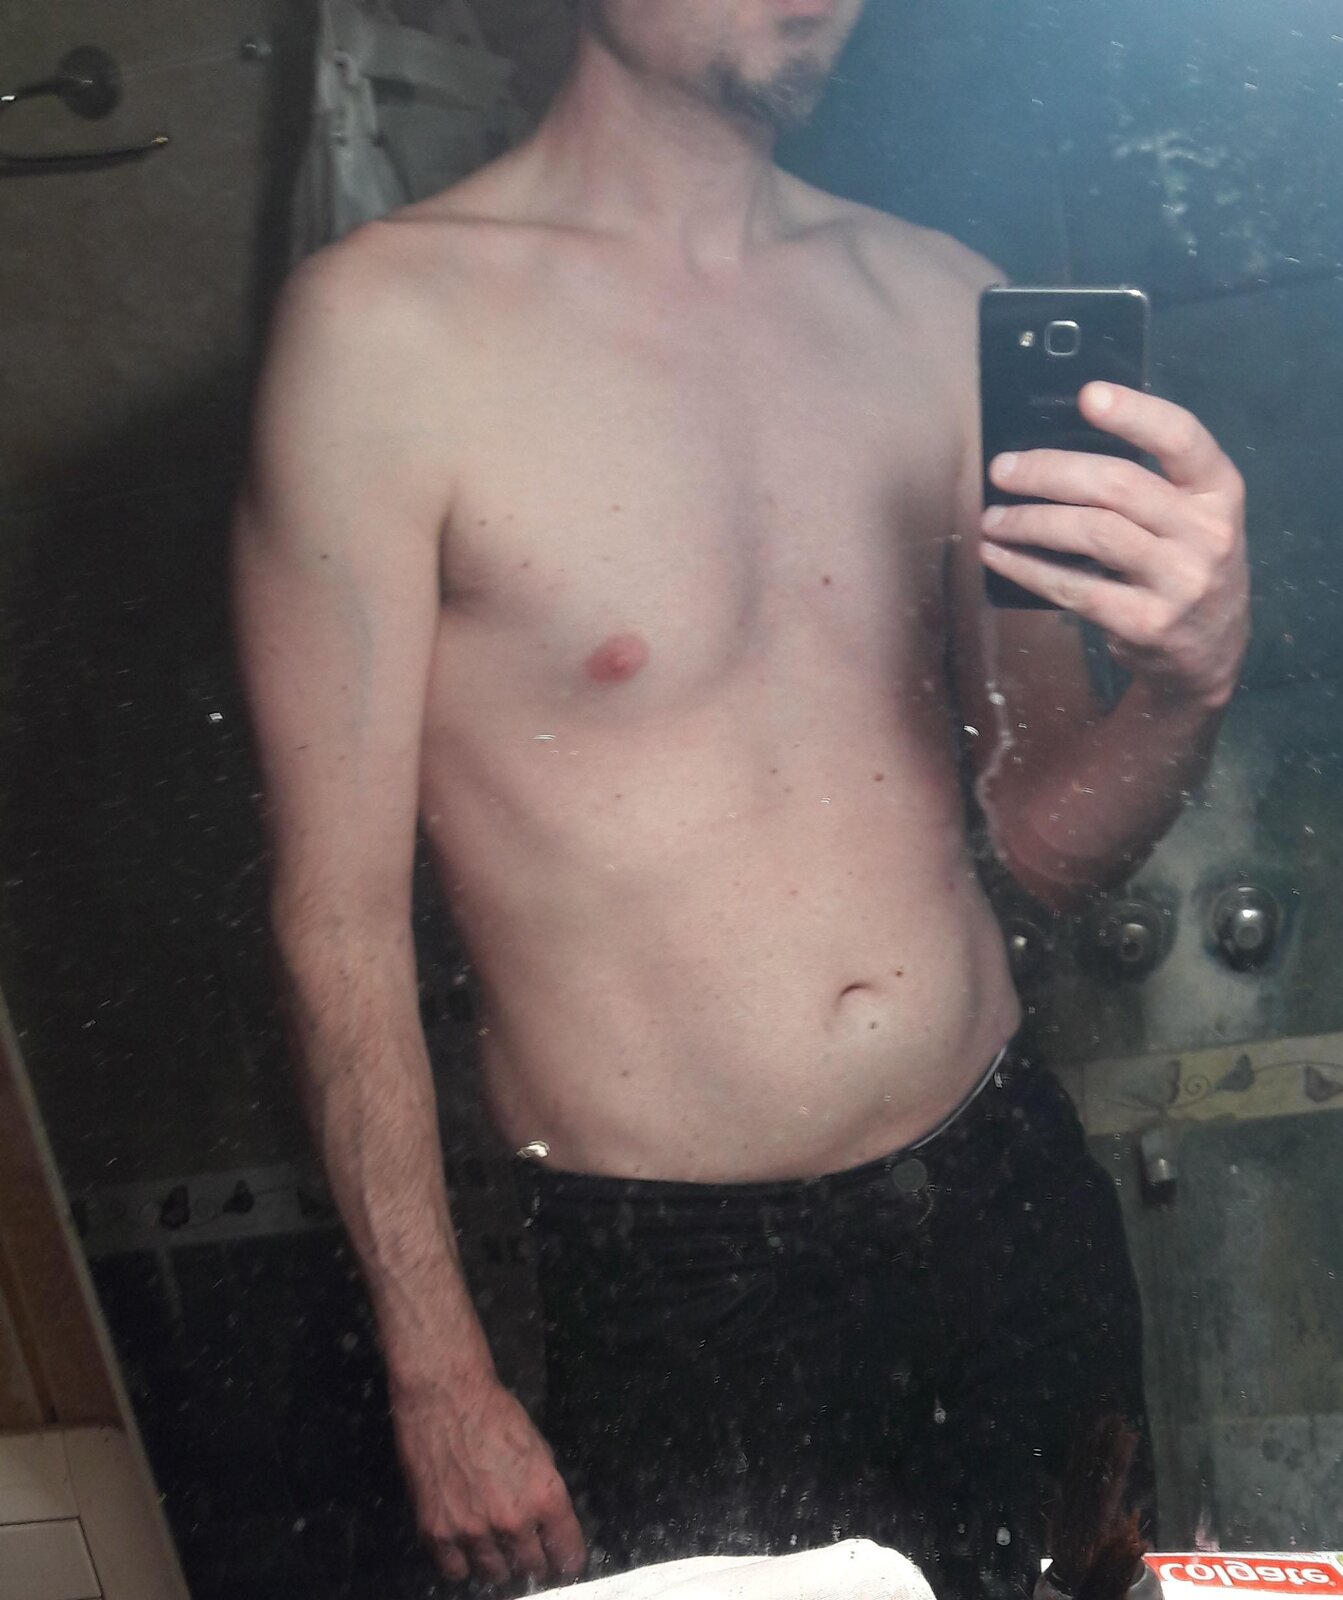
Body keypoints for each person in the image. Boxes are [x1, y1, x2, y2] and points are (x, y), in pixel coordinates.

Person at [230, 1, 1250, 1594]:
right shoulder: (384, 337)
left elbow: (1049, 844)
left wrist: (1188, 684)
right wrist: (438, 1374)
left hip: (1001, 1190)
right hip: (673, 1282)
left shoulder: (939, 302)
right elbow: (334, 926)